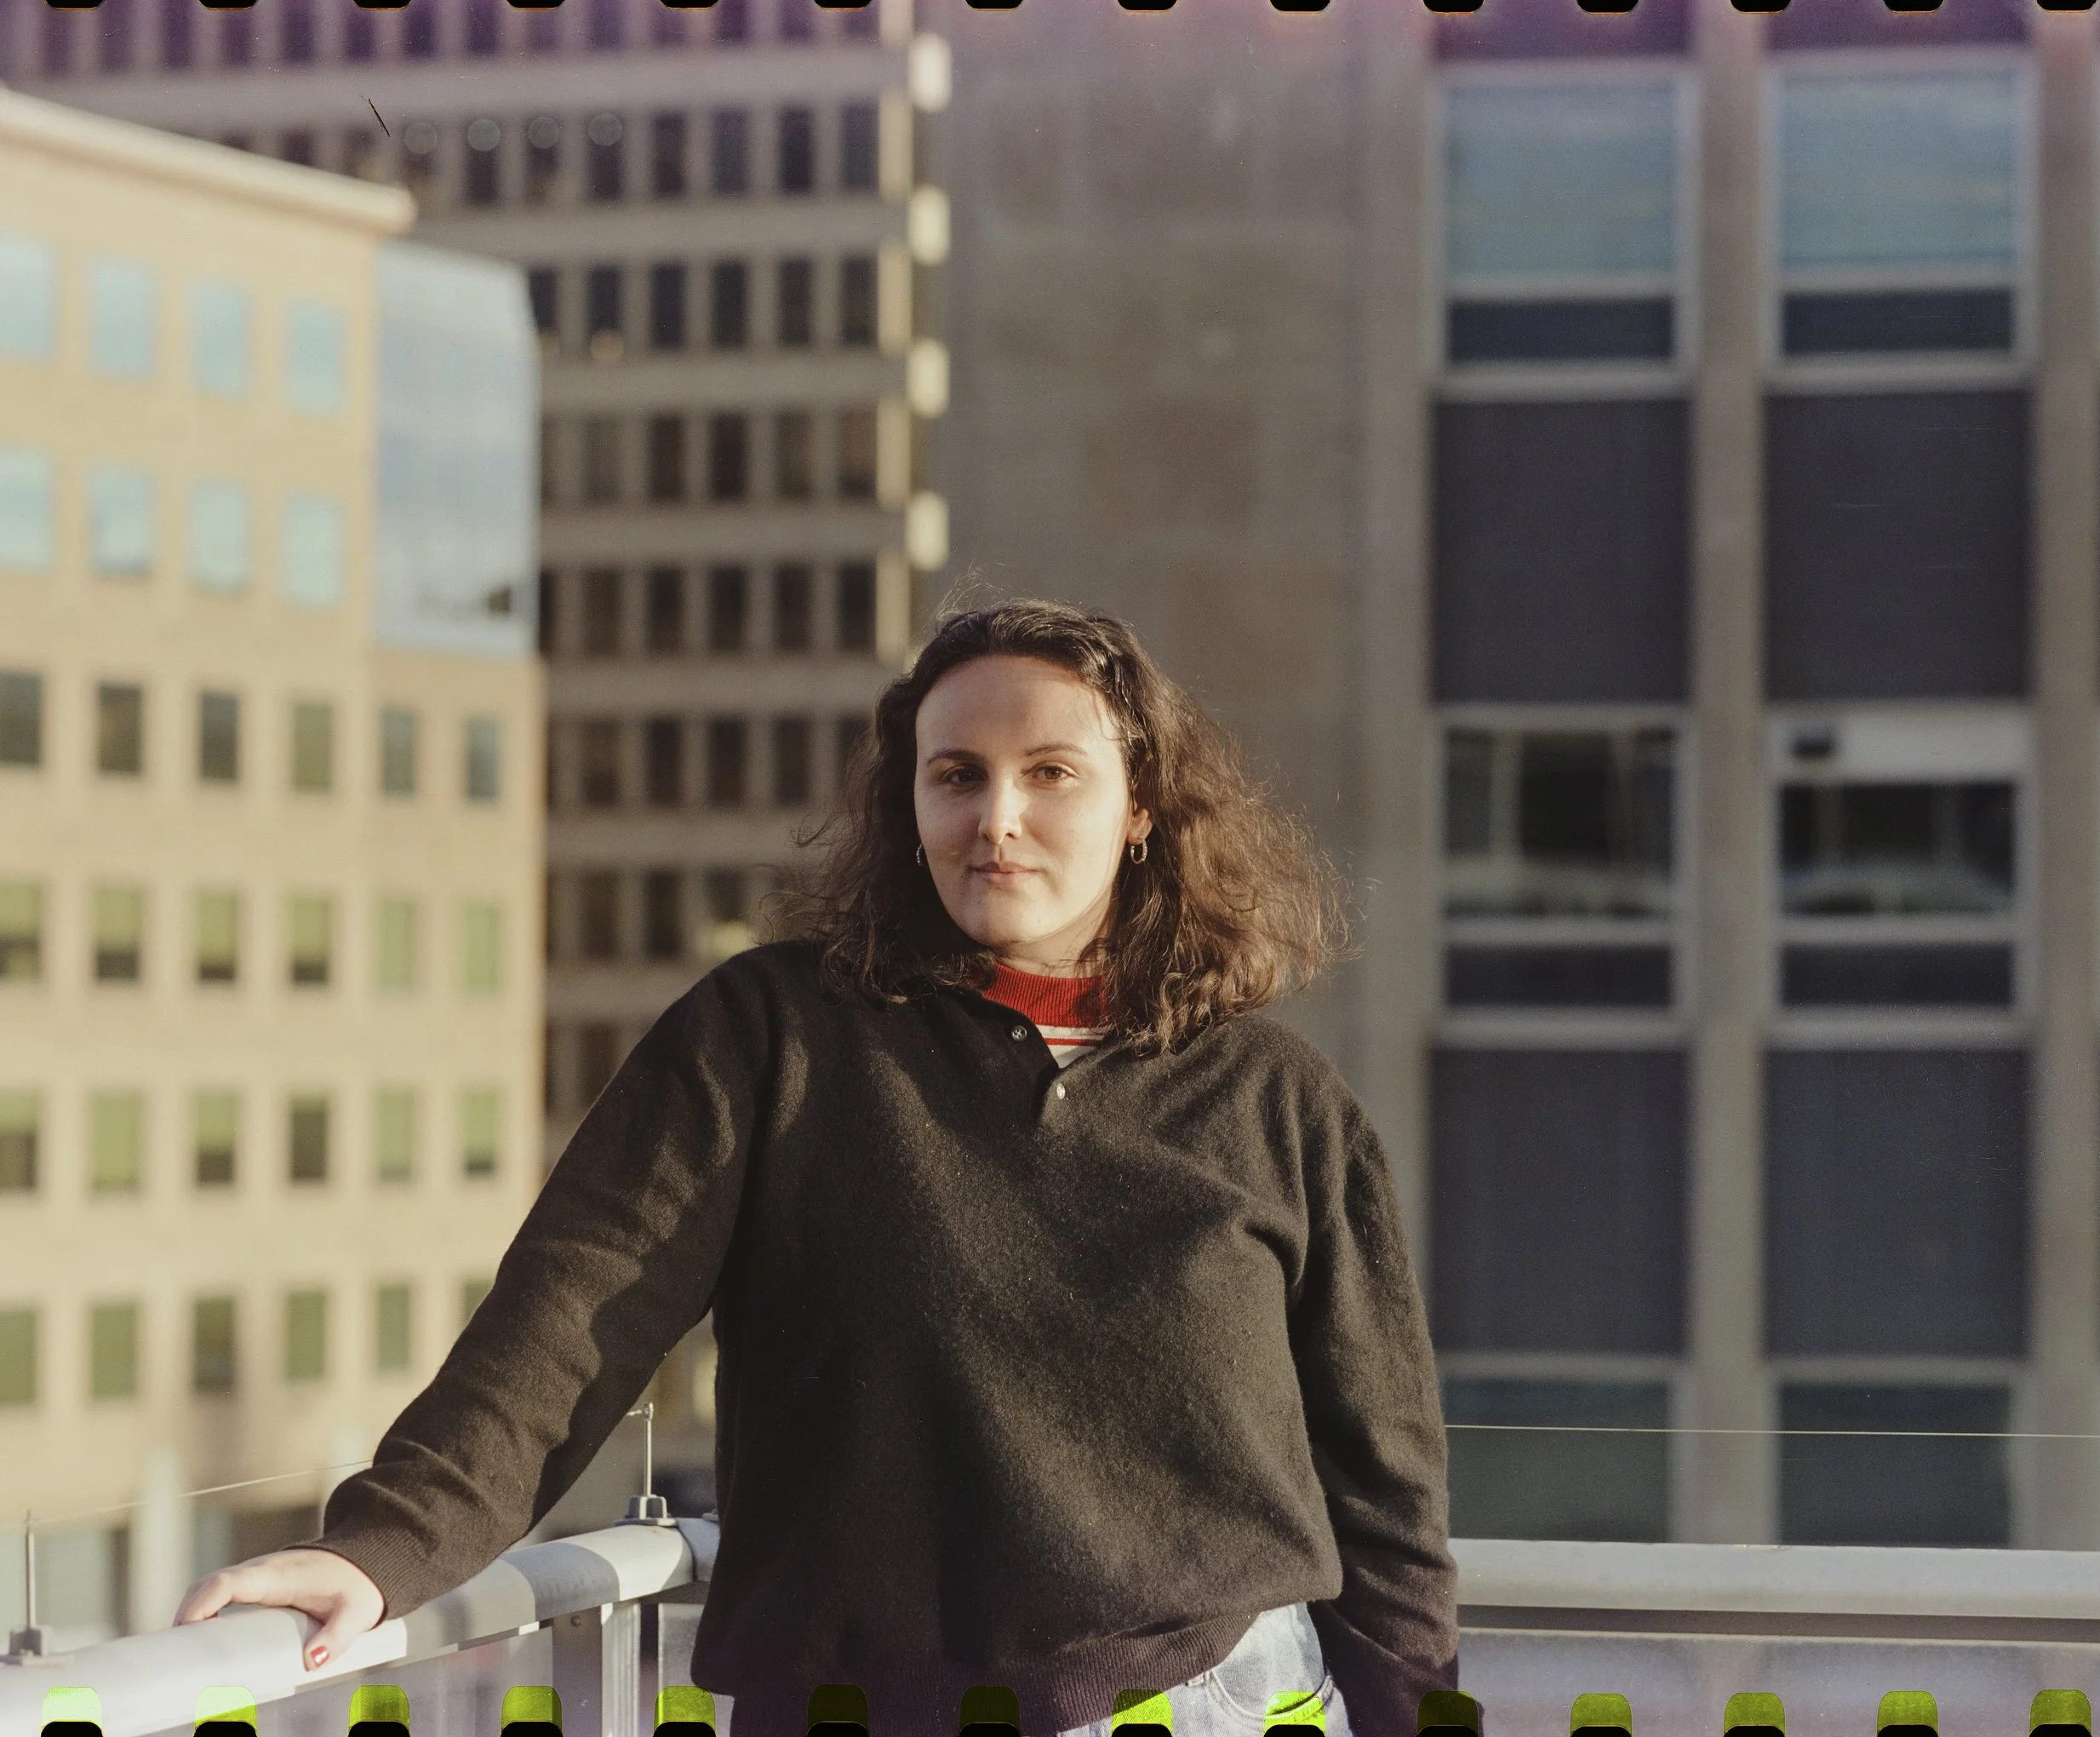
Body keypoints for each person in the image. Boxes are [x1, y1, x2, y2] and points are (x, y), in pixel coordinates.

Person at [176, 599, 1460, 1737]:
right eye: (955, 775)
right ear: (909, 808)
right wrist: (382, 1549)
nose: (996, 818)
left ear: (1140, 814)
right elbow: (574, 1319)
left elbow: (1383, 1478)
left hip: (1215, 1700)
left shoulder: (1280, 1103)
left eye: (1051, 773)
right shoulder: (770, 1037)